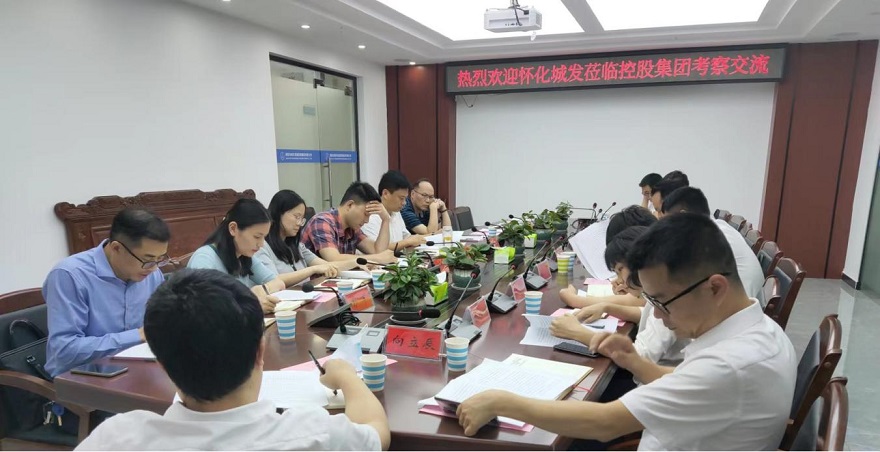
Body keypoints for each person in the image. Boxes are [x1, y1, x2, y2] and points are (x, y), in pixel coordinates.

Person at [456, 214, 796, 450]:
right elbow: (688, 381)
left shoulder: (730, 365)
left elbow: (606, 423)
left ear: (715, 287)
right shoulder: (761, 331)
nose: (657, 315)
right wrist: (635, 362)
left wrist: (502, 401)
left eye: (662, 301)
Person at [75, 269, 390, 451]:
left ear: (161, 361)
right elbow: (376, 432)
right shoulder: (312, 434)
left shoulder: (115, 439)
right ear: (260, 351)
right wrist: (346, 376)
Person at [42, 209, 170, 377]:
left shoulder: (151, 273)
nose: (153, 268)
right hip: (83, 379)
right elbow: (65, 350)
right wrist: (138, 335)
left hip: (139, 371)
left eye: (160, 259)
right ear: (116, 248)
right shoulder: (70, 275)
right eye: (147, 260)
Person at [551, 226, 690, 369]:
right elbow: (646, 314)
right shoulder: (662, 291)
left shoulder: (666, 299)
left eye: (620, 270)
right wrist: (607, 307)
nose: (618, 280)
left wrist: (577, 333)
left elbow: (641, 356)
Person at [660, 186, 766, 307]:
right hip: (741, 297)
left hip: (738, 306)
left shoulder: (709, 237)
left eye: (670, 222)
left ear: (683, 216)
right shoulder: (716, 227)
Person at [187, 198, 286, 313]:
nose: (261, 244)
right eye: (257, 237)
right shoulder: (204, 259)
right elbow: (205, 308)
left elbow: (279, 283)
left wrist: (262, 289)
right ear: (233, 228)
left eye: (264, 237)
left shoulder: (245, 256)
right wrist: (250, 302)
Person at [255, 189, 360, 286]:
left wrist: (357, 263)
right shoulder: (261, 246)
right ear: (279, 213)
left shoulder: (297, 246)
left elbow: (328, 265)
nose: (299, 223)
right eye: (297, 217)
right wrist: (312, 269)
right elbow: (273, 280)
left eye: (302, 219)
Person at [559, 205, 656, 309]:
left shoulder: (657, 287)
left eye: (620, 268)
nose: (620, 280)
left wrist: (574, 299)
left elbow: (636, 301)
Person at [301, 182, 395, 264]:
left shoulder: (352, 228)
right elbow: (333, 259)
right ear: (350, 205)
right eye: (366, 214)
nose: (367, 221)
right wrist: (376, 259)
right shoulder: (322, 221)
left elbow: (377, 250)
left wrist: (385, 220)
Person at [361, 171, 426, 252]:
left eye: (405, 199)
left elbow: (407, 238)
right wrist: (407, 242)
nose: (404, 203)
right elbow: (376, 250)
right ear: (385, 194)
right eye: (401, 198)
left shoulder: (396, 212)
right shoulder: (370, 216)